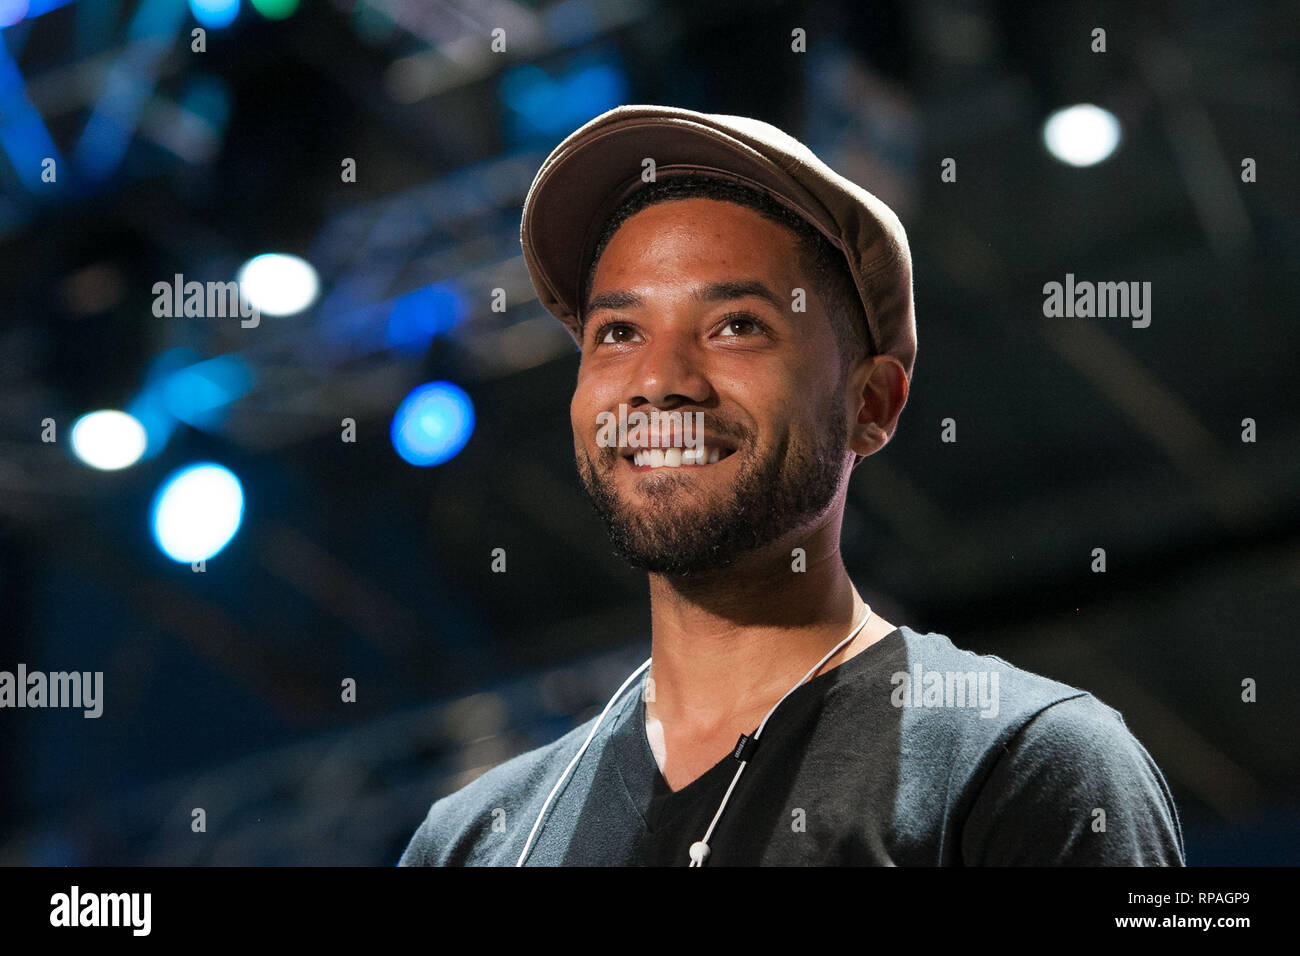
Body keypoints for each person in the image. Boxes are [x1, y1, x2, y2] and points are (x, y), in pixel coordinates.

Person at [399, 105, 1185, 866]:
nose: (659, 381)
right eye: (618, 333)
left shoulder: (1023, 764)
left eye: (737, 325)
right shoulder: (478, 840)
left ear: (870, 405)